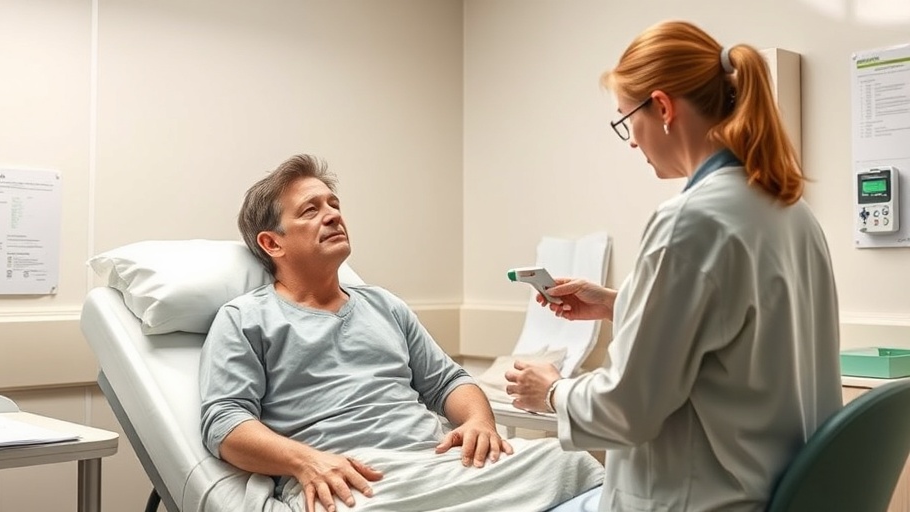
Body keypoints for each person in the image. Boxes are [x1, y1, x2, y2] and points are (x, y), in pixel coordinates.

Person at [505, 20, 842, 511]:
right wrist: (619, 304)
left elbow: (627, 410)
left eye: (627, 121)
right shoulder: (790, 211)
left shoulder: (689, 220)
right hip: (773, 490)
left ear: (661, 108)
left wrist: (552, 391)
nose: (632, 142)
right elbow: (740, 332)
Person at [199, 154, 604, 512]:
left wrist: (480, 422)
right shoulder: (245, 318)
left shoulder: (384, 305)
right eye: (310, 210)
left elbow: (449, 382)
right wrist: (305, 462)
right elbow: (225, 422)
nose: (333, 215)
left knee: (568, 462)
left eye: (334, 204)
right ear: (272, 243)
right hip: (356, 477)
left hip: (439, 461)